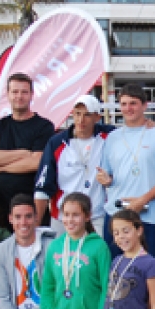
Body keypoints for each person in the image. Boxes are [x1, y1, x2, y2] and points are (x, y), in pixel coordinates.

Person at [97, 84, 155, 263]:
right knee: (115, 272)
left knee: (148, 274)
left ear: (144, 105)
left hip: (147, 216)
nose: (128, 108)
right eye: (124, 104)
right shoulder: (112, 137)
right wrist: (105, 180)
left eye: (133, 103)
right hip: (116, 214)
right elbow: (108, 177)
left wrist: (142, 200)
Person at [0, 72, 56, 227]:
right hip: (2, 204)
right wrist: (23, 153)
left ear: (31, 95)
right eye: (15, 92)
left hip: (32, 203)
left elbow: (36, 162)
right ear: (7, 94)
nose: (19, 96)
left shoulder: (44, 126)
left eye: (24, 92)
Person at [34, 95, 115, 232]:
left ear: (97, 117)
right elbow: (43, 187)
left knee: (95, 253)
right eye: (77, 114)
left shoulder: (109, 136)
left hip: (96, 216)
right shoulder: (57, 143)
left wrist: (148, 126)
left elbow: (132, 133)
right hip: (62, 218)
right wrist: (35, 225)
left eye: (87, 115)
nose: (81, 120)